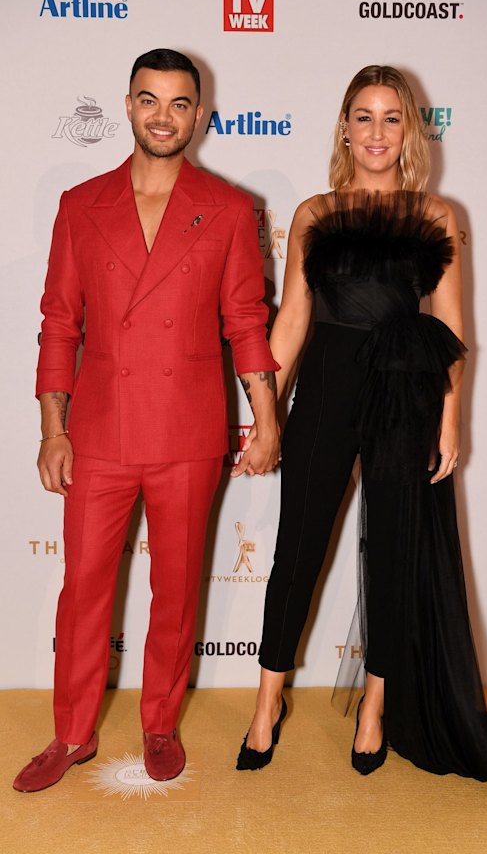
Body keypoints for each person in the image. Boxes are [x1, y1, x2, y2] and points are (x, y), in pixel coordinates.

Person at [235, 65, 487, 805]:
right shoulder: (314, 212)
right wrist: (265, 415)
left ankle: (375, 709)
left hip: (406, 394)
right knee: (296, 550)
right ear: (344, 129)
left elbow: (452, 328)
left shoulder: (436, 215)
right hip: (327, 385)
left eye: (391, 118)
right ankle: (267, 703)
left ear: (410, 132)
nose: (376, 132)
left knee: (394, 554)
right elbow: (292, 320)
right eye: (363, 117)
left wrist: (450, 419)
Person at [13, 48, 279, 793]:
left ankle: (159, 723)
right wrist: (53, 429)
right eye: (150, 100)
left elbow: (246, 321)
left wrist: (266, 421)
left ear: (199, 115)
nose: (164, 117)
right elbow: (59, 323)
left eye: (179, 103)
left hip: (188, 432)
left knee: (177, 589)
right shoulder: (80, 204)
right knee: (83, 589)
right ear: (129, 105)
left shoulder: (229, 208)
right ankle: (72, 733)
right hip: (98, 431)